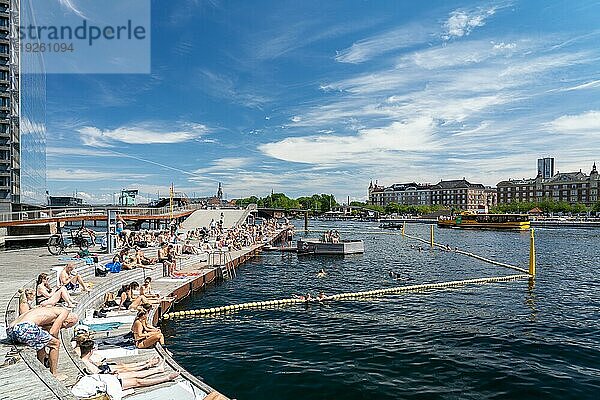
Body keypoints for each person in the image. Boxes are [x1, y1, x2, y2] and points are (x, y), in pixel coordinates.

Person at [79, 339, 179, 390]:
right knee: (136, 380)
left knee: (129, 370)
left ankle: (155, 368)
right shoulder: (86, 362)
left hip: (106, 377)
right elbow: (96, 376)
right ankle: (166, 377)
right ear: (90, 351)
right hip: (106, 381)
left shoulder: (85, 359)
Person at [7, 306, 78, 376]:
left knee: (42, 339)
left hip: (11, 330)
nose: (65, 328)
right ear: (68, 322)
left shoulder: (49, 310)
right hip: (24, 328)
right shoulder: (64, 312)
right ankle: (54, 374)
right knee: (56, 344)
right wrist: (54, 341)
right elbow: (53, 332)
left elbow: (44, 334)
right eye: (69, 326)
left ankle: (41, 366)